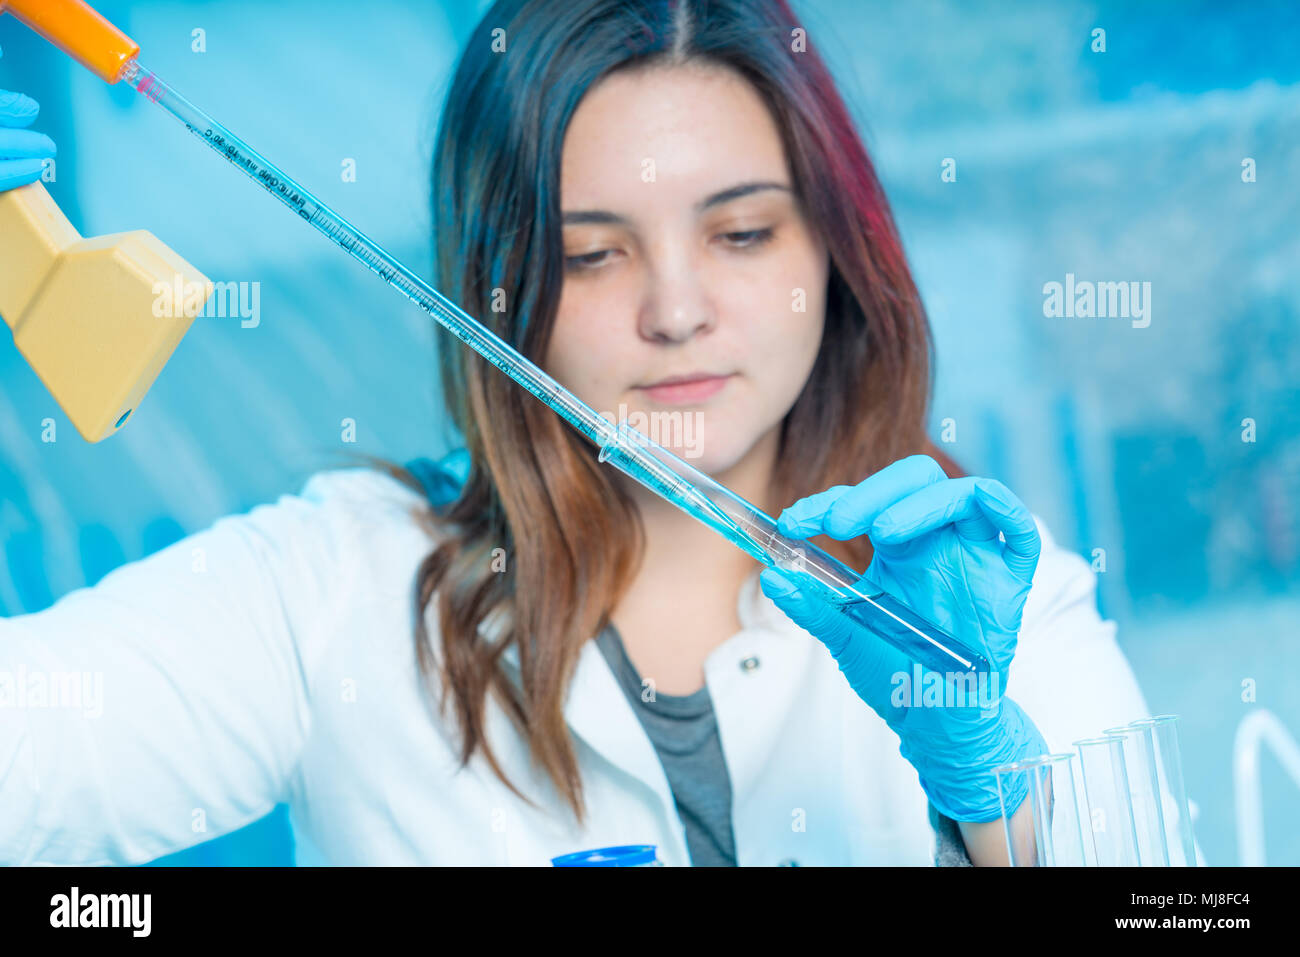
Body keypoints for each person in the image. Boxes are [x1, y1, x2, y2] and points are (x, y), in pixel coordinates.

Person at [0, 0, 1154, 867]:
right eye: (594, 252)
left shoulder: (989, 603)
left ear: (835, 254)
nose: (675, 309)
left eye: (741, 233)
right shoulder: (330, 588)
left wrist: (986, 787)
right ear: (498, 285)